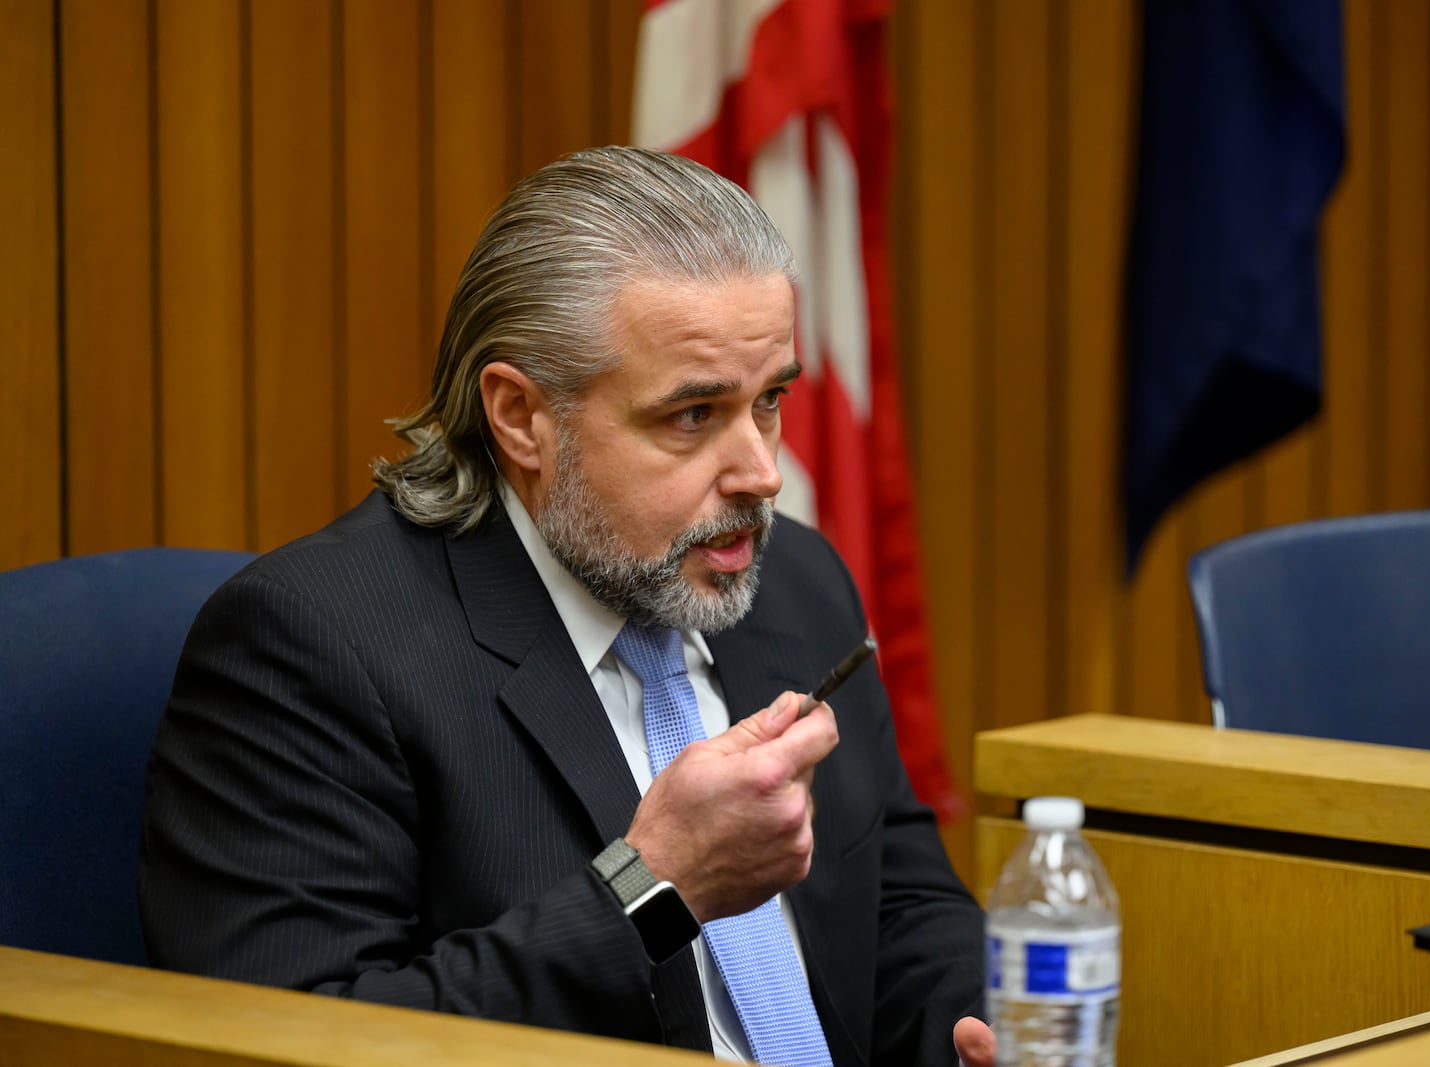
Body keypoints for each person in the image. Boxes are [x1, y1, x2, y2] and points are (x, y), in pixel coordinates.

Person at [139, 146, 995, 1066]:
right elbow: (294, 1040)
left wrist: (975, 1025)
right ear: (520, 417)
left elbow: (898, 901)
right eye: (694, 415)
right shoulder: (314, 648)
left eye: (771, 399)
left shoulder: (797, 584)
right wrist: (653, 887)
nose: (763, 473)